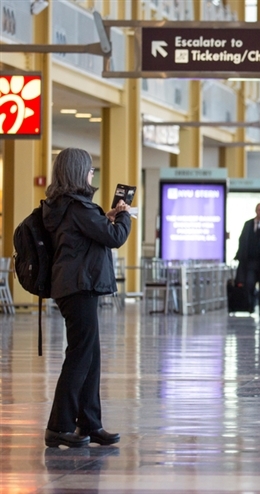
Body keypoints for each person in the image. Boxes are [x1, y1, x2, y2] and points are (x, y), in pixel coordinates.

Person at [42, 148, 131, 448]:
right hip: (79, 288)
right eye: (90, 169)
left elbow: (85, 236)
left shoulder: (64, 206)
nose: (93, 174)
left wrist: (106, 217)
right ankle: (58, 426)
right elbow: (115, 237)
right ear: (78, 171)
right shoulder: (79, 207)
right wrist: (124, 216)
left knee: (90, 357)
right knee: (80, 356)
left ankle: (90, 424)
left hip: (74, 287)